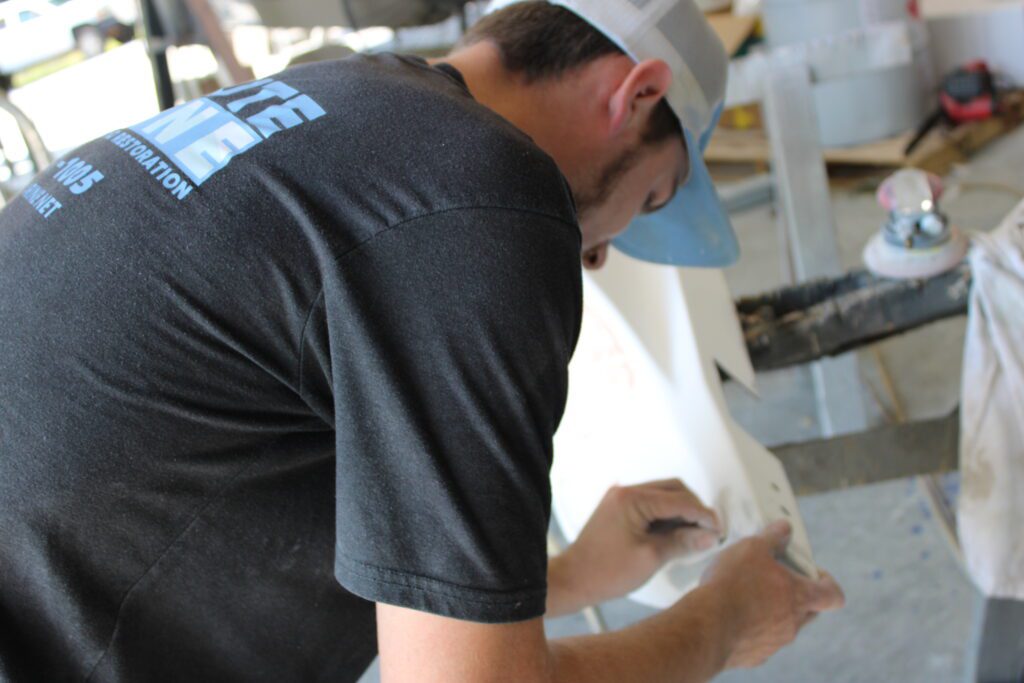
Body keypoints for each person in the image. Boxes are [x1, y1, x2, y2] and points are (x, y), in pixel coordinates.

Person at [0, 0, 844, 680]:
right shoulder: (485, 199)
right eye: (650, 202)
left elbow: (209, 445)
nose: (597, 254)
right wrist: (720, 624)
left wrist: (568, 577)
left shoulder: (346, 101)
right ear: (639, 94)